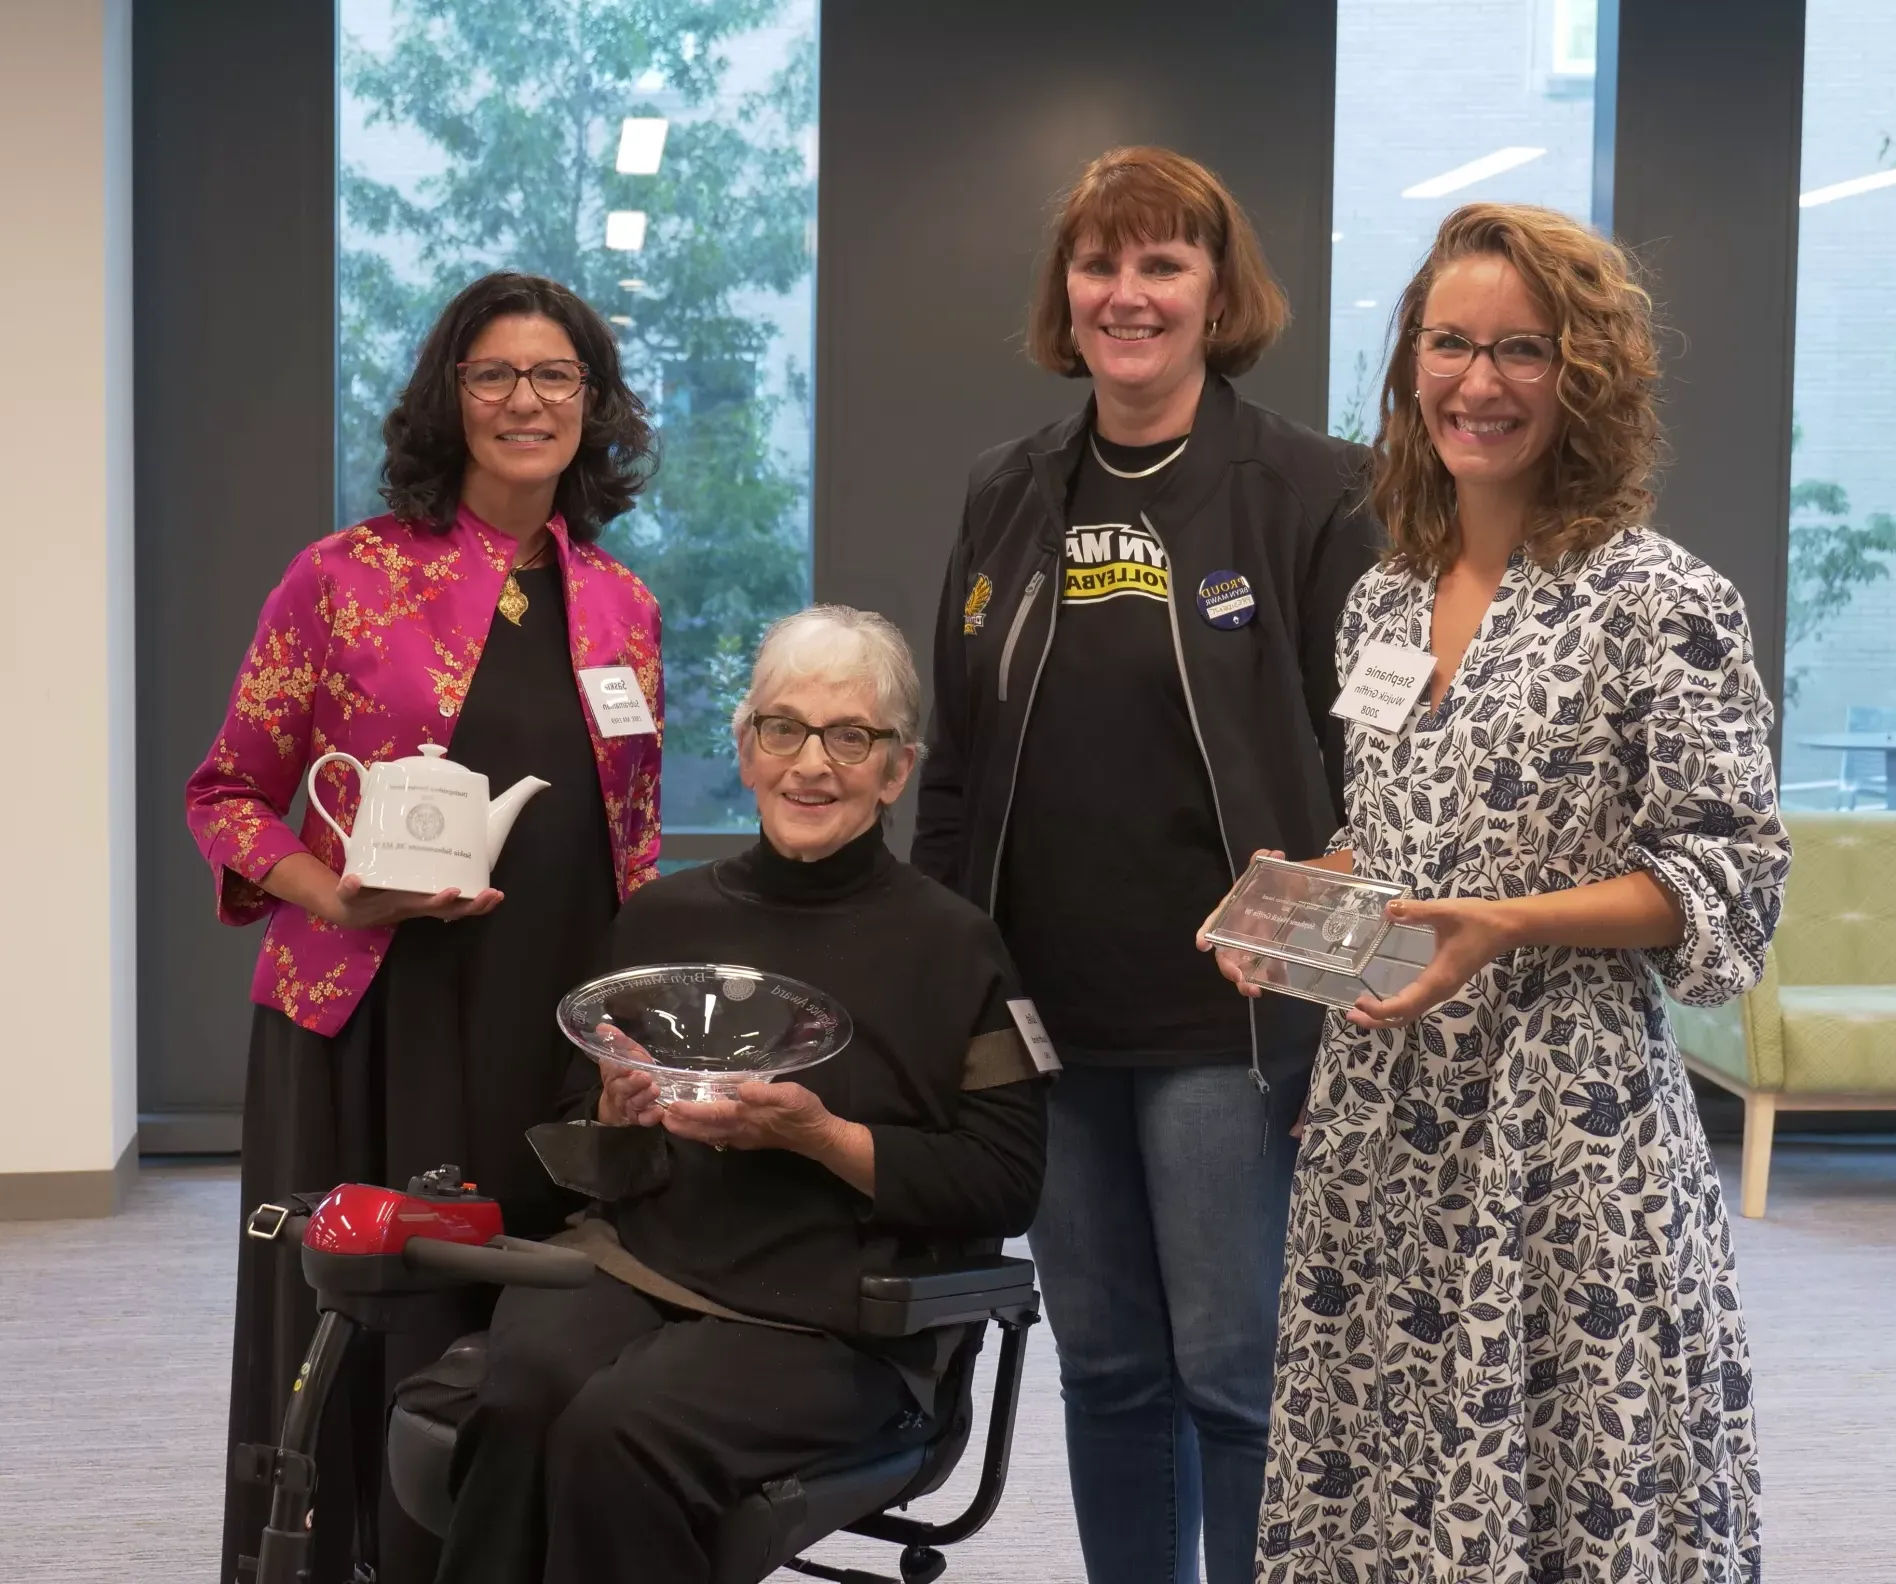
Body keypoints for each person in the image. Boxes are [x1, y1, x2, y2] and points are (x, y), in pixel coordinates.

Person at [1212, 203, 1784, 1582]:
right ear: (1412, 363)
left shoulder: (1662, 599)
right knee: (1382, 1482)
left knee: (1571, 1492)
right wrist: (1299, 904)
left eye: (1522, 350)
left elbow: (1731, 875)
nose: (1480, 383)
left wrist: (1509, 927)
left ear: (1584, 377)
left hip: (1565, 1134)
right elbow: (1399, 838)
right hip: (1379, 1126)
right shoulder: (1385, 599)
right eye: (1452, 344)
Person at [911, 145, 1377, 1584]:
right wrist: (943, 989)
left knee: (1236, 1377)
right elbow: (957, 769)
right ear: (1068, 291)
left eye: (1163, 264)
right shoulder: (1009, 489)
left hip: (1223, 1024)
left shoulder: (1312, 492)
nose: (1129, 294)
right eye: (1102, 264)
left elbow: (1377, 774)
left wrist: (1325, 986)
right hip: (1046, 1024)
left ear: (1219, 291)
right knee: (1105, 1368)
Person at [186, 271, 664, 1584]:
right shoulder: (342, 578)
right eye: (495, 374)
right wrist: (333, 894)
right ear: (448, 400)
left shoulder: (622, 603)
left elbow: (636, 834)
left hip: (551, 1021)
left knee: (527, 1318)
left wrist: (637, 1027)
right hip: (372, 1020)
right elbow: (225, 795)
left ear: (592, 405)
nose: (527, 400)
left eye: (555, 377)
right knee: (361, 1316)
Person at [434, 605, 1050, 1583]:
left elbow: (1007, 1183)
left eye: (851, 737)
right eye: (783, 728)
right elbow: (571, 1137)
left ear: (897, 769)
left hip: (836, 1317)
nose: (812, 763)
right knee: (517, 1394)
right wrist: (612, 1115)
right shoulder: (660, 919)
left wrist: (824, 1139)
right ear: (745, 748)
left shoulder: (958, 947)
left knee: (618, 1431)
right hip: (642, 1264)